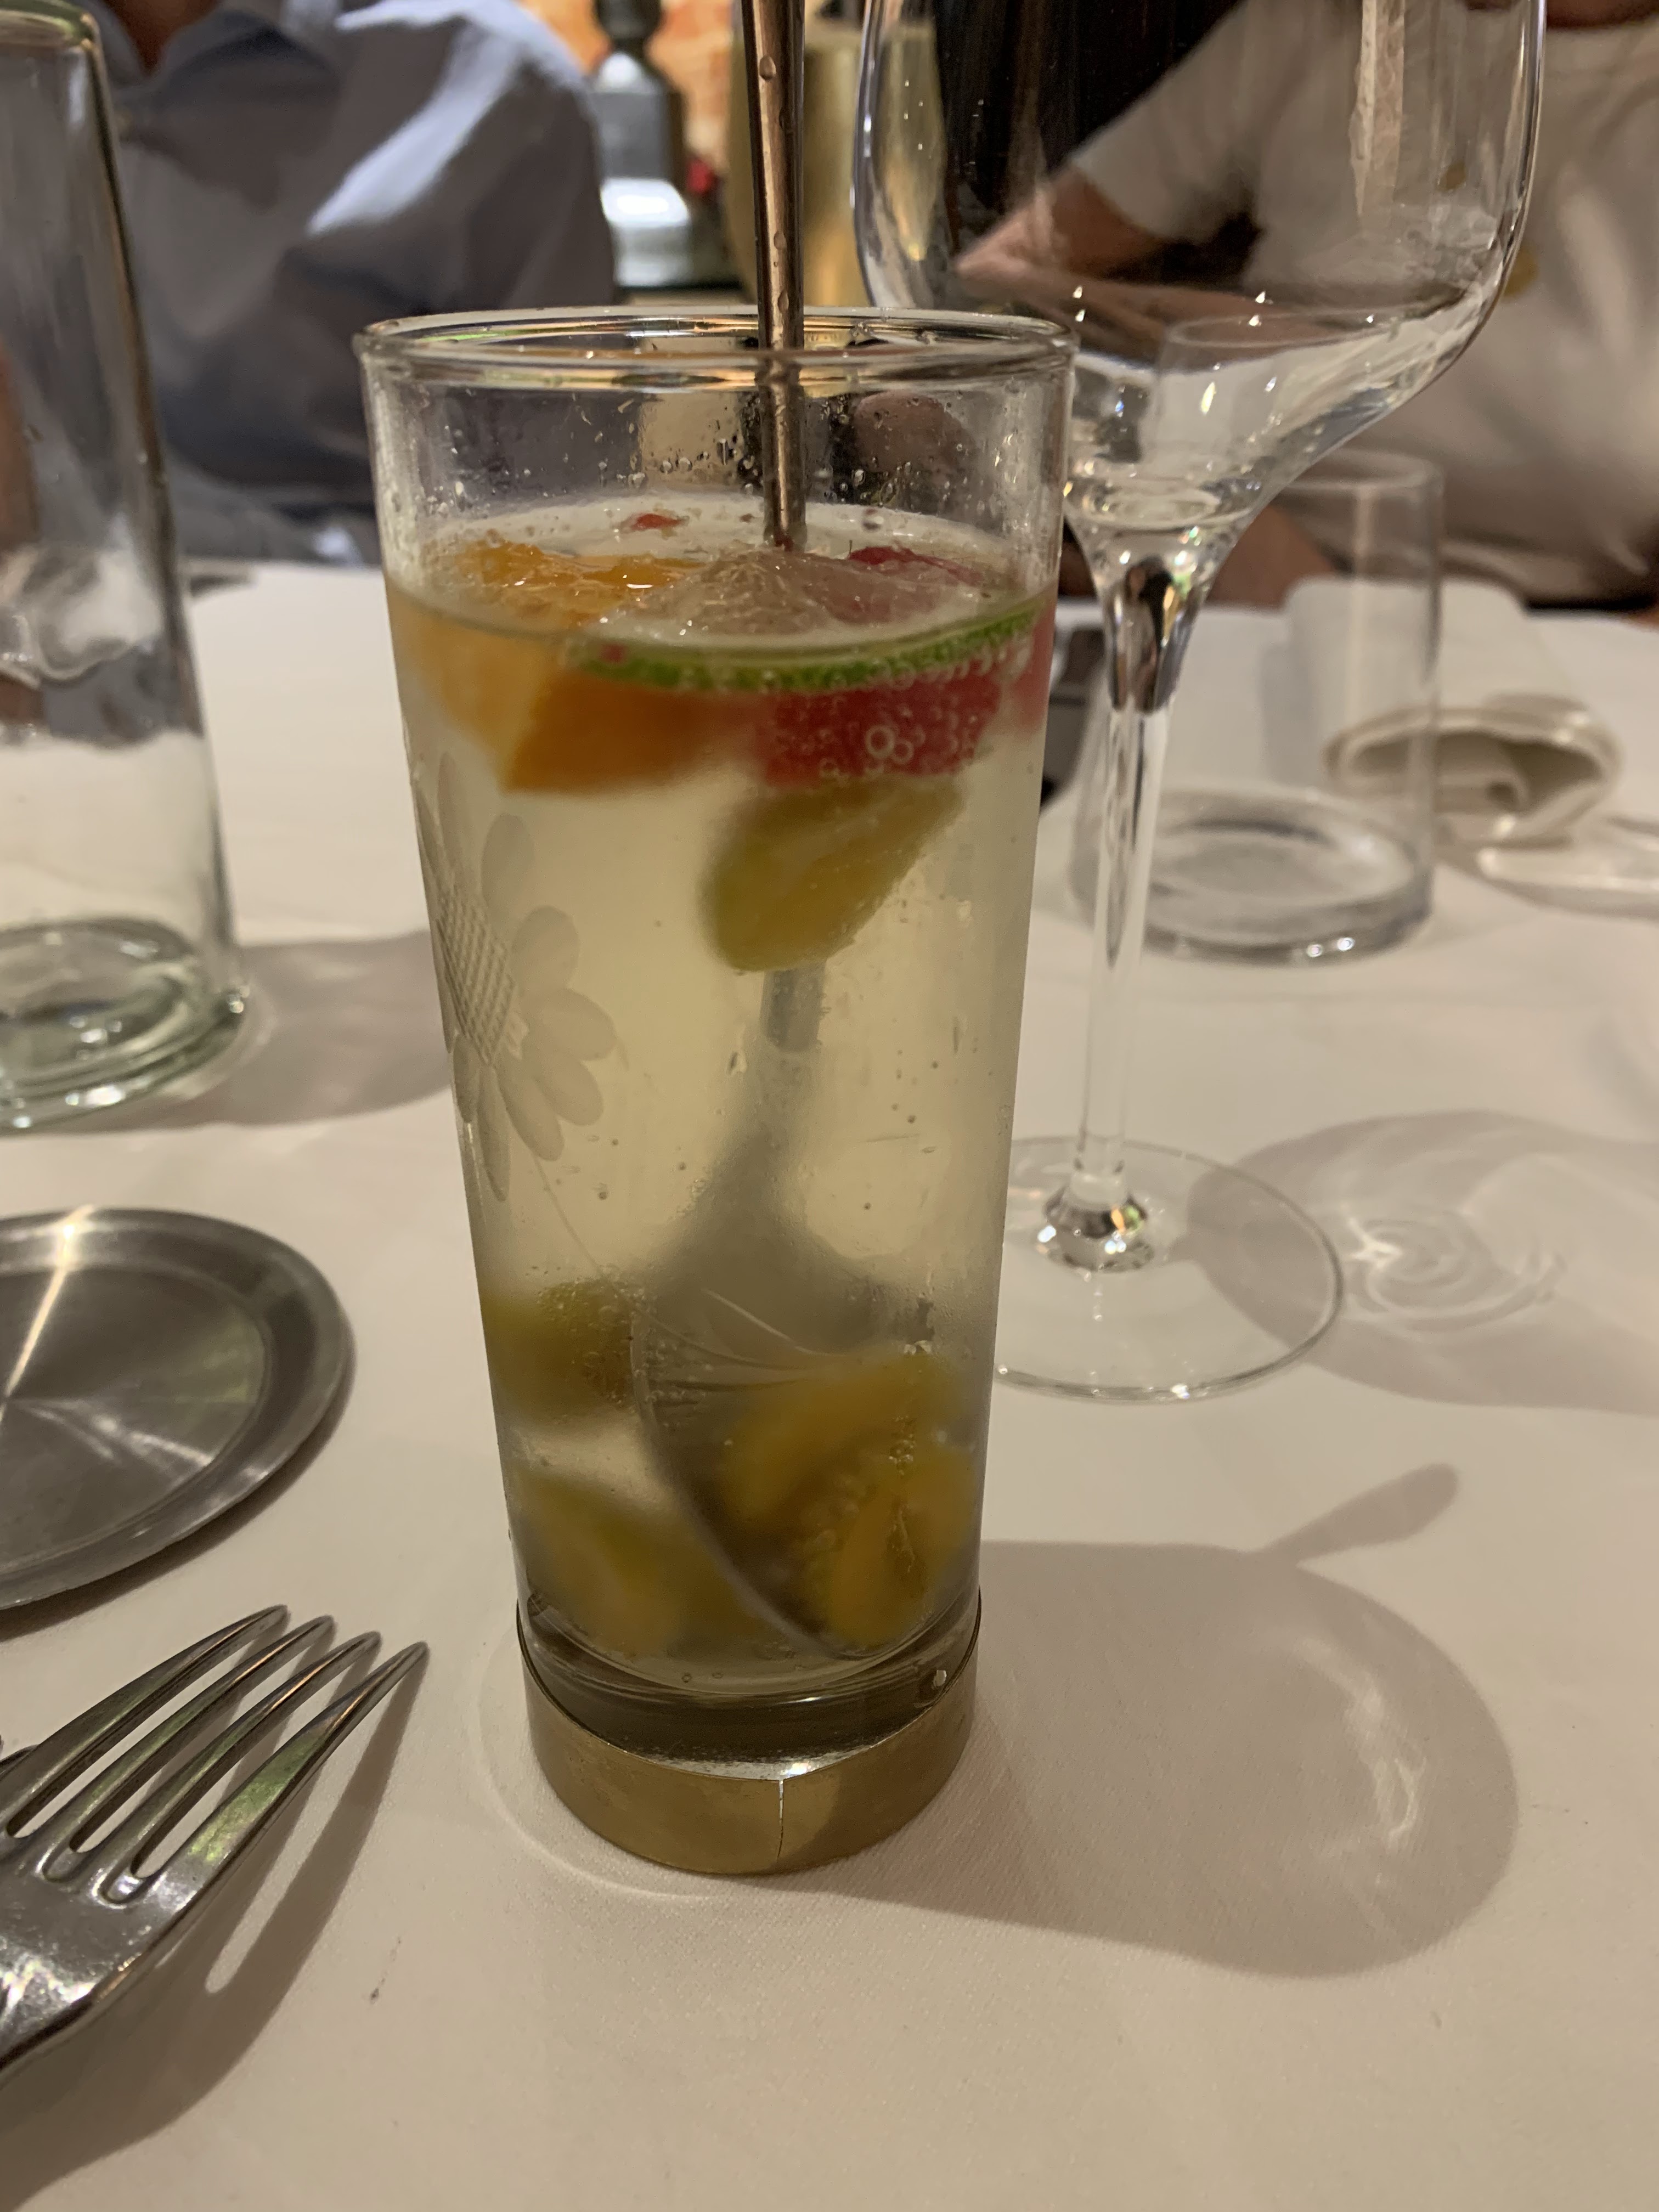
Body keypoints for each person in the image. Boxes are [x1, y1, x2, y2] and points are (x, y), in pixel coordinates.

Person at [975, 0, 1659, 616]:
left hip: (1594, 666)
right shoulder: (1316, 27)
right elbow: (984, 283)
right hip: (1233, 608)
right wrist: (1191, 340)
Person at [86, 0, 613, 562]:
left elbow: (553, 522)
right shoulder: (38, 51)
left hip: (344, 597)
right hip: (57, 587)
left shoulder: (493, 78)